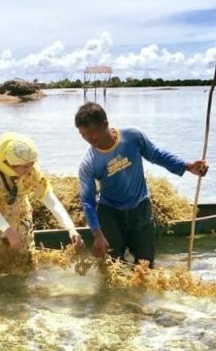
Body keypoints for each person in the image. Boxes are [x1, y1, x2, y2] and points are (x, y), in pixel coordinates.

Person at [74, 102, 208, 268]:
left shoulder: (132, 137)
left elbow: (156, 155)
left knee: (145, 265)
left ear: (105, 124)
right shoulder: (89, 163)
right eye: (83, 135)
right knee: (113, 266)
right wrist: (97, 234)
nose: (89, 140)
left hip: (140, 208)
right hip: (110, 213)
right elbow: (88, 201)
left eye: (92, 133)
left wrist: (187, 166)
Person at [0, 132, 84, 270]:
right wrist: (8, 231)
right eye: (25, 166)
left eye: (32, 164)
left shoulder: (31, 170)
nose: (30, 169)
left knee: (25, 261)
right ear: (9, 163)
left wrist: (71, 229)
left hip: (20, 214)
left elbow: (50, 200)